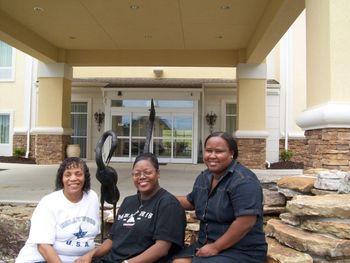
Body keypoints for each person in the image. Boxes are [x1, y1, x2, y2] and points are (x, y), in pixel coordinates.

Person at [173, 131, 267, 263]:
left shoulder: (244, 181)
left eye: (219, 151)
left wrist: (216, 247)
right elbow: (191, 201)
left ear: (231, 153)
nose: (212, 156)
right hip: (206, 243)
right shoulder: (204, 177)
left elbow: (246, 221)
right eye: (208, 150)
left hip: (241, 250)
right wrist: (162, 198)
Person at [76, 152, 186, 263]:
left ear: (158, 173)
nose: (142, 177)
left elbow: (161, 249)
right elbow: (112, 239)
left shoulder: (168, 204)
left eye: (147, 172)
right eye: (137, 174)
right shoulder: (128, 202)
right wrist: (90, 255)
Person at [16, 157, 100, 263]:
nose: (73, 178)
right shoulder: (49, 202)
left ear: (85, 177)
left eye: (78, 174)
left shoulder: (92, 197)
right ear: (61, 178)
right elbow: (43, 247)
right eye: (68, 174)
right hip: (41, 259)